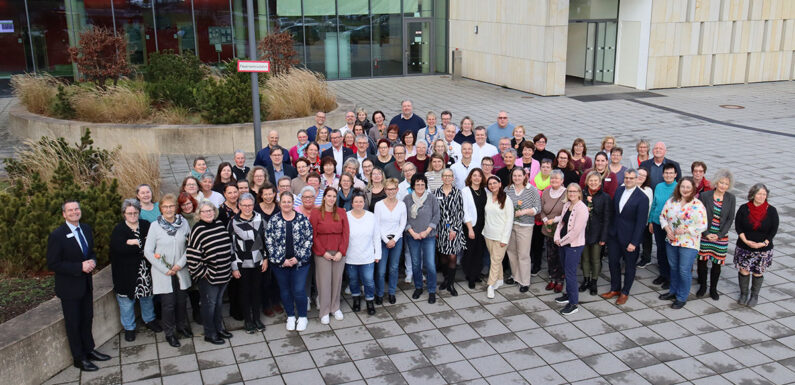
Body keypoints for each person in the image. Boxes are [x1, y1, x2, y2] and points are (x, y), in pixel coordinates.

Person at [48, 201, 111, 372]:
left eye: (77, 209)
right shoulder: (57, 235)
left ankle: (89, 350)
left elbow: (90, 252)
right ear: (64, 214)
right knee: (73, 323)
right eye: (70, 210)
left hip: (86, 285)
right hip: (69, 288)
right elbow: (53, 263)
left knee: (87, 318)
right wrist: (79, 267)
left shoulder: (86, 228)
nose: (74, 212)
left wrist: (92, 261)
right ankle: (79, 358)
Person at [144, 194, 193, 347]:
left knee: (181, 301)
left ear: (176, 208)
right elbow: (148, 251)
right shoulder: (155, 226)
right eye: (165, 207)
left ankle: (181, 326)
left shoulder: (183, 223)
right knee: (168, 304)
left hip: (180, 270)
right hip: (163, 273)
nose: (168, 209)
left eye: (171, 206)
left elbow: (190, 246)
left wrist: (179, 264)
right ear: (161, 209)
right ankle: (170, 333)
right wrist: (164, 268)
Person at [111, 199, 160, 342]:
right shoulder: (119, 230)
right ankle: (129, 328)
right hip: (126, 273)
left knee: (147, 297)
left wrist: (134, 242)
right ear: (124, 214)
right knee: (126, 302)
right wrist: (141, 243)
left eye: (136, 212)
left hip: (145, 271)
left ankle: (149, 320)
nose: (133, 215)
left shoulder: (146, 225)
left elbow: (154, 243)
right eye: (129, 213)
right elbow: (119, 248)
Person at [187, 201, 235, 343]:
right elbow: (192, 255)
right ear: (199, 214)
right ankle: (210, 333)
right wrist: (203, 273)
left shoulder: (220, 224)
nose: (208, 213)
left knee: (218, 303)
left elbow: (228, 246)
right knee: (209, 305)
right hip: (209, 277)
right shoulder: (197, 229)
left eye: (210, 211)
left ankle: (219, 328)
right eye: (205, 211)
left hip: (224, 273)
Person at [601, 169, 650, 305]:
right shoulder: (619, 190)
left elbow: (641, 223)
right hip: (615, 235)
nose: (628, 180)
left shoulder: (642, 198)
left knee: (629, 266)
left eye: (631, 178)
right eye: (626, 177)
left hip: (630, 238)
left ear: (636, 179)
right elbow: (613, 212)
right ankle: (615, 288)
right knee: (613, 263)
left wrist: (634, 242)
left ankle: (625, 292)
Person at [658, 177, 708, 309]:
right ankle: (673, 291)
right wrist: (667, 229)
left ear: (692, 189)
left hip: (688, 243)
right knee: (673, 267)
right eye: (682, 187)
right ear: (678, 187)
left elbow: (703, 225)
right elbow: (662, 216)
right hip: (672, 240)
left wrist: (687, 229)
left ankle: (682, 297)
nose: (685, 190)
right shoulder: (672, 201)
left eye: (688, 187)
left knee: (684, 270)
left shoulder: (697, 205)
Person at [267, 192, 314, 331]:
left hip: (300, 263)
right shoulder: (274, 220)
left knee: (299, 290)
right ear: (279, 203)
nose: (287, 204)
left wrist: (297, 258)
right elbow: (269, 242)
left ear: (293, 203)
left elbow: (308, 239)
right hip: (280, 264)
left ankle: (303, 317)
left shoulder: (302, 219)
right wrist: (282, 260)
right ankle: (291, 316)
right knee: (285, 291)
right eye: (284, 201)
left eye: (289, 201)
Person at [229, 193, 268, 333]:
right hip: (242, 264)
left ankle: (257, 319)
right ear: (239, 206)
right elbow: (230, 246)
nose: (247, 208)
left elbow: (265, 240)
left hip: (258, 262)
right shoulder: (234, 222)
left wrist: (265, 258)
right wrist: (234, 267)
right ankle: (248, 320)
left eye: (250, 205)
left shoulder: (259, 218)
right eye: (244, 205)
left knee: (257, 291)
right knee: (244, 293)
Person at [734, 183, 778, 307]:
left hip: (763, 248)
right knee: (744, 270)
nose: (761, 196)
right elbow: (738, 227)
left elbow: (773, 230)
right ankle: (743, 294)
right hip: (744, 246)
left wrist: (763, 243)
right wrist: (746, 241)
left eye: (764, 194)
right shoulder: (744, 208)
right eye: (759, 194)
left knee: (758, 271)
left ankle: (754, 295)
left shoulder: (772, 210)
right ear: (753, 194)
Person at [311, 187, 349, 324]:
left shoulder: (341, 212)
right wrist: (322, 252)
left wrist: (341, 252)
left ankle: (335, 307)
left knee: (337, 280)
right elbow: (313, 235)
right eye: (329, 196)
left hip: (338, 252)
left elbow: (346, 234)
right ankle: (325, 311)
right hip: (322, 253)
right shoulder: (316, 213)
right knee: (324, 281)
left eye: (334, 196)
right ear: (324, 197)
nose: (331, 198)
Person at [696, 169, 736, 301]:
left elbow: (730, 218)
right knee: (702, 261)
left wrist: (719, 234)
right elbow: (699, 215)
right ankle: (702, 286)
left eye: (726, 184)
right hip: (705, 234)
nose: (723, 186)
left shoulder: (731, 198)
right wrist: (706, 233)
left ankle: (713, 288)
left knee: (716, 263)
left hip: (720, 237)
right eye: (721, 183)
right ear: (716, 183)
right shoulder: (705, 196)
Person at [404, 174, 441, 303]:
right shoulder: (407, 199)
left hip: (428, 236)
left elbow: (436, 216)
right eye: (417, 184)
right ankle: (418, 287)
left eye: (422, 184)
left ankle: (431, 290)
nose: (420, 187)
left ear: (425, 186)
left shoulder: (431, 198)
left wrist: (427, 231)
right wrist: (413, 232)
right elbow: (404, 219)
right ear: (413, 186)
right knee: (415, 263)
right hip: (412, 236)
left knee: (430, 264)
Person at [554, 183, 589, 315]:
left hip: (573, 246)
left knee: (571, 274)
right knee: (565, 270)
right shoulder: (567, 205)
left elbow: (575, 232)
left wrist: (561, 241)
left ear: (579, 193)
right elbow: (561, 223)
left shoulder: (582, 208)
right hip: (562, 244)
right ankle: (568, 295)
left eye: (575, 191)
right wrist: (557, 237)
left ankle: (573, 303)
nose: (572, 194)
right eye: (569, 191)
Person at [504, 167, 541, 293]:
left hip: (525, 226)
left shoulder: (532, 190)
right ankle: (515, 276)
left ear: (525, 176)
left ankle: (525, 281)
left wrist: (525, 211)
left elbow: (538, 208)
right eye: (515, 176)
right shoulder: (508, 189)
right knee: (512, 252)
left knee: (523, 254)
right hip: (510, 225)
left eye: (520, 175)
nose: (517, 178)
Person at [346, 191, 381, 315]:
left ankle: (369, 300)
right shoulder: (346, 216)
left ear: (364, 202)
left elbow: (376, 236)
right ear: (352, 203)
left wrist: (377, 255)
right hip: (351, 256)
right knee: (353, 279)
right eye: (356, 201)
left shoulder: (371, 216)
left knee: (368, 280)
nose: (358, 204)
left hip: (368, 256)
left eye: (361, 201)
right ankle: (356, 299)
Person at [579, 171, 612, 296]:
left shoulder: (605, 197)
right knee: (585, 258)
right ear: (587, 182)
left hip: (597, 233)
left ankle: (594, 282)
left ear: (600, 182)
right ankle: (586, 280)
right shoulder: (581, 195)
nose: (593, 183)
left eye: (595, 181)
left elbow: (607, 219)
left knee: (595, 259)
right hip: (583, 232)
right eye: (591, 180)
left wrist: (604, 236)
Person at [374, 179, 407, 304]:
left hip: (397, 240)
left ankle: (392, 292)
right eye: (388, 189)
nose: (391, 191)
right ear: (385, 190)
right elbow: (376, 224)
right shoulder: (379, 205)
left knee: (394, 268)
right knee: (381, 270)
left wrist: (394, 239)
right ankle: (380, 293)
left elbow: (402, 224)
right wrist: (386, 240)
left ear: (397, 190)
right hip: (382, 240)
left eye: (393, 189)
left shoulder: (402, 205)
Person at [255, 184, 285, 317]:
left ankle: (276, 302)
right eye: (265, 194)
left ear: (275, 194)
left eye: (270, 193)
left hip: (278, 248)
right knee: (264, 279)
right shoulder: (256, 210)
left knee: (277, 277)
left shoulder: (279, 208)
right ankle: (266, 304)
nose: (268, 196)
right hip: (261, 248)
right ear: (261, 195)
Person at [483, 176, 514, 299]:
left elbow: (509, 220)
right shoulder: (488, 197)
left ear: (500, 184)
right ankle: (500, 279)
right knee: (495, 259)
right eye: (490, 184)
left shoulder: (507, 199)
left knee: (495, 260)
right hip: (488, 234)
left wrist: (504, 239)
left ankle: (490, 285)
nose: (492, 186)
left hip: (501, 236)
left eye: (494, 183)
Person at [436, 169, 465, 296]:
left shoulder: (458, 193)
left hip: (454, 228)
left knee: (452, 256)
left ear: (453, 178)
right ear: (442, 178)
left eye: (450, 176)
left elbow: (460, 213)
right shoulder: (436, 192)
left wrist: (454, 229)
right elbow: (435, 212)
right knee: (443, 256)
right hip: (441, 228)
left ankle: (451, 284)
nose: (447, 178)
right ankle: (446, 278)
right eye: (445, 176)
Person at [649, 163, 678, 289]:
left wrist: (675, 227)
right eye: (666, 173)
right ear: (662, 174)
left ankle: (670, 277)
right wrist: (650, 221)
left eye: (671, 173)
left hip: (670, 225)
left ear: (675, 175)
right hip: (657, 222)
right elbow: (654, 204)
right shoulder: (659, 186)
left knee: (669, 251)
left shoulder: (678, 188)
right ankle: (663, 274)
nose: (668, 175)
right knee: (660, 249)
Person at [541, 170, 567, 292]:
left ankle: (560, 280)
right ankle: (552, 278)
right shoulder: (546, 192)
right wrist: (545, 219)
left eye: (557, 178)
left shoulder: (567, 193)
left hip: (561, 230)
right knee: (550, 255)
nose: (554, 180)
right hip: (548, 229)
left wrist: (554, 220)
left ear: (562, 180)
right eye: (552, 178)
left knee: (560, 255)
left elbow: (568, 212)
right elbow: (541, 209)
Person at [462, 168, 487, 289]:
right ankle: (470, 276)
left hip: (483, 226)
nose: (477, 178)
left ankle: (476, 274)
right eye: (474, 175)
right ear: (470, 177)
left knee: (480, 251)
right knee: (470, 251)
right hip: (471, 226)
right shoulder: (465, 191)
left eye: (479, 176)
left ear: (482, 178)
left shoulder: (485, 191)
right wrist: (470, 229)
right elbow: (465, 211)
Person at [635, 167, 655, 268]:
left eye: (644, 175)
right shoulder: (627, 186)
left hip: (644, 220)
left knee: (646, 240)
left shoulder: (648, 190)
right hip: (631, 221)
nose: (641, 177)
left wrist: (648, 221)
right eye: (639, 174)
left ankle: (646, 258)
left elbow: (650, 206)